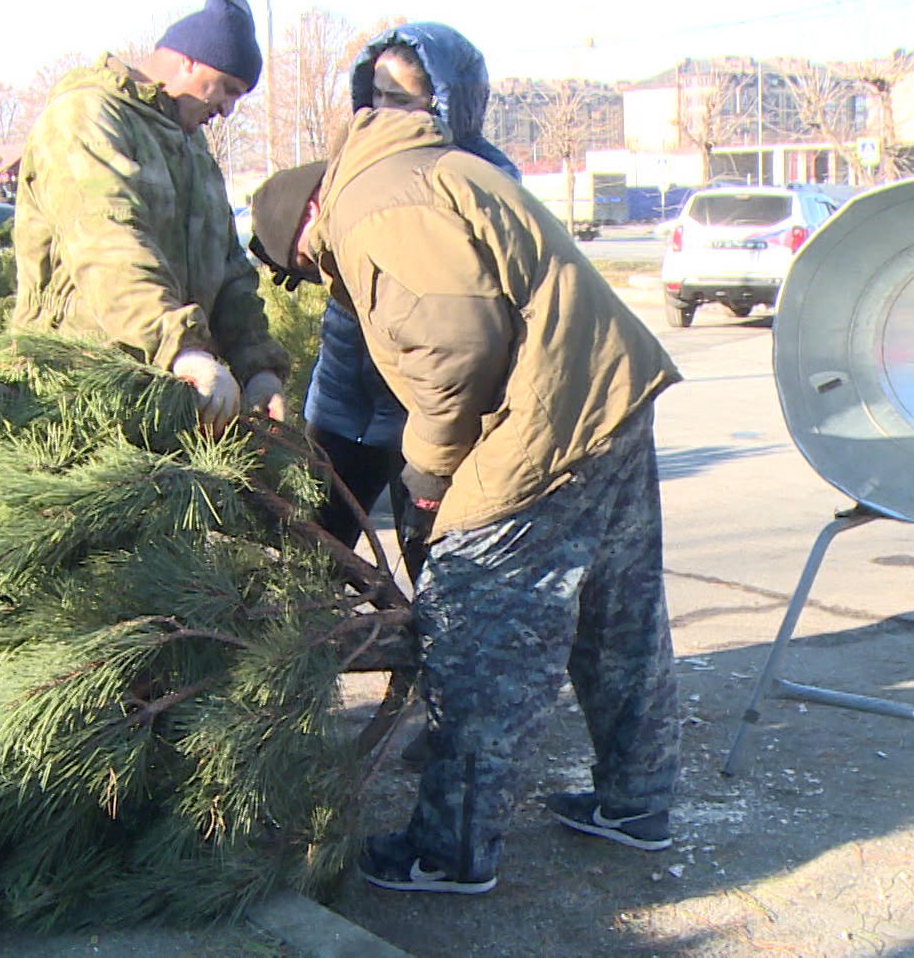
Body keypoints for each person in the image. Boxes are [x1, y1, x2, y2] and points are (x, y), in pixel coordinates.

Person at [247, 107, 684, 895]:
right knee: (622, 614)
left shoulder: (371, 210)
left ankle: (449, 852)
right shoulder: (415, 171)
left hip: (545, 419)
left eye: (310, 267)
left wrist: (428, 474)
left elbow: (456, 348)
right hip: (610, 395)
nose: (321, 279)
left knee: (479, 629)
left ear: (306, 224)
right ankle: (638, 803)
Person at [12, 0, 289, 430]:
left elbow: (228, 264)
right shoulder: (86, 117)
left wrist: (258, 366)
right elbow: (108, 242)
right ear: (188, 61)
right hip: (77, 385)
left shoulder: (191, 147)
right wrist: (181, 347)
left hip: (168, 382)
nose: (228, 110)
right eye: (227, 89)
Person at [302, 24, 518, 573]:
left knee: (440, 572)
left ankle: (427, 660)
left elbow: (471, 326)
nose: (380, 111)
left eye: (399, 99)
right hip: (342, 402)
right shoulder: (352, 165)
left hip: (430, 418)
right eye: (373, 96)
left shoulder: (483, 179)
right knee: (305, 565)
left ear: (444, 101)